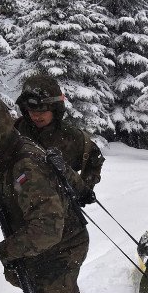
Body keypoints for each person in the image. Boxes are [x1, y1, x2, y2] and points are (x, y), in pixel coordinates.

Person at [0, 93, 89, 293]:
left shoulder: (26, 167)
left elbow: (47, 229)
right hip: (47, 246)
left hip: (61, 249)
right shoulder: (7, 153)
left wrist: (7, 250)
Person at [14, 75, 105, 207]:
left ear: (55, 109)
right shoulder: (16, 131)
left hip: (63, 215)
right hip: (25, 213)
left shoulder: (71, 136)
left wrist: (84, 188)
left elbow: (94, 158)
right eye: (30, 110)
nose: (35, 116)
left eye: (42, 110)